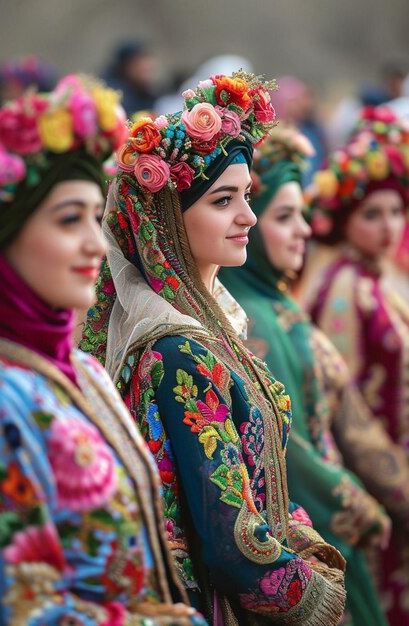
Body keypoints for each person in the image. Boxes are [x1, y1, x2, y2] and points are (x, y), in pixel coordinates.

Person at [82, 71, 347, 625]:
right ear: (168, 221)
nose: (247, 216)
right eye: (224, 200)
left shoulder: (215, 331)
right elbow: (230, 540)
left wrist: (306, 543)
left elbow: (262, 477)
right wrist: (316, 597)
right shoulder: (180, 351)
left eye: (247, 196)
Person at [0, 74, 208, 626]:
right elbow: (19, 606)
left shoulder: (79, 370)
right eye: (69, 220)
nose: (94, 243)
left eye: (95, 216)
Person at [219, 123, 409, 625]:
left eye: (302, 214)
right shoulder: (254, 317)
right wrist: (362, 501)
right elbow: (291, 449)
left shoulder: (277, 303)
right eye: (284, 217)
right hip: (317, 528)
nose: (304, 228)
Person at [305, 105, 409, 625]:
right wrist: (399, 488)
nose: (389, 226)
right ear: (345, 219)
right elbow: (345, 408)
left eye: (397, 211)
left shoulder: (375, 280)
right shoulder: (346, 289)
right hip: (377, 491)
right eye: (373, 214)